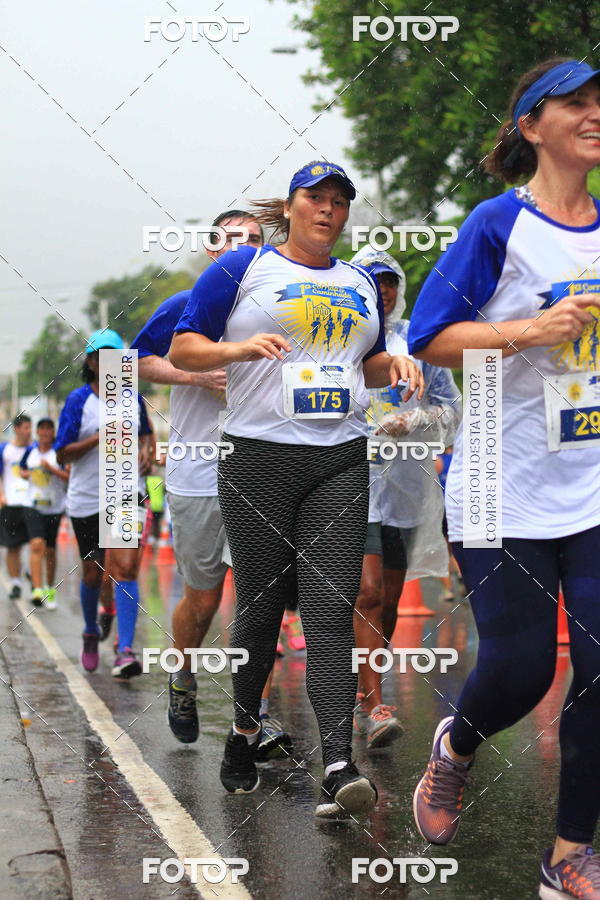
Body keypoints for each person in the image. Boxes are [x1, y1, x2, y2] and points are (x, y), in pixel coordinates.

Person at [170, 160, 424, 818]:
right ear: (293, 204)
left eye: (340, 201)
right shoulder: (243, 270)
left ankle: (339, 763)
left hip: (338, 458)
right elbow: (185, 349)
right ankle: (245, 729)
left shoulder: (359, 282)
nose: (329, 210)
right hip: (256, 458)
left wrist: (389, 363)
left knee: (331, 610)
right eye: (317, 197)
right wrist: (235, 351)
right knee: (257, 614)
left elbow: (359, 366)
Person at [407, 59, 600, 897]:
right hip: (497, 481)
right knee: (522, 670)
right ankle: (455, 746)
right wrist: (532, 328)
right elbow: (429, 337)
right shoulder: (498, 224)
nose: (596, 115)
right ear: (531, 125)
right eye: (577, 104)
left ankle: (569, 858)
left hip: (591, 477)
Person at [132, 209, 291, 759]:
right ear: (212, 251)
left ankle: (254, 719)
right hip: (198, 473)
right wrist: (194, 375)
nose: (245, 249)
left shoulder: (279, 306)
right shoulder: (187, 305)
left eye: (255, 240)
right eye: (234, 241)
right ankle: (182, 676)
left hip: (263, 472)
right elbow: (126, 364)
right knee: (203, 599)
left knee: (257, 601)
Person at [350, 247, 461, 749]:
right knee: (368, 592)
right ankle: (373, 704)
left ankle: (361, 689)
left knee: (391, 602)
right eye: (373, 281)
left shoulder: (420, 341)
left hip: (408, 492)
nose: (384, 289)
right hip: (353, 483)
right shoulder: (345, 339)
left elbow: (451, 411)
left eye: (390, 281)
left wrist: (414, 420)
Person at [55, 329, 154, 678]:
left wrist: (147, 451)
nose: (109, 362)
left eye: (116, 355)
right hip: (86, 498)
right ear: (91, 362)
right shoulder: (78, 401)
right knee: (94, 573)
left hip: (125, 493)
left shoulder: (133, 397)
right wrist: (99, 438)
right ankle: (90, 630)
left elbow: (146, 432)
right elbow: (62, 452)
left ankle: (125, 650)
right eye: (101, 356)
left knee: (125, 568)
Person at [20, 418, 68, 609]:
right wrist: (24, 474)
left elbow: (68, 476)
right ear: (38, 432)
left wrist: (51, 469)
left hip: (54, 507)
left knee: (50, 550)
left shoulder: (59, 452)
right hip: (32, 505)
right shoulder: (30, 451)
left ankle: (50, 588)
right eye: (42, 429)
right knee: (36, 544)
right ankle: (37, 590)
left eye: (49, 429)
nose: (46, 432)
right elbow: (22, 470)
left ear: (53, 432)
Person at [0, 414, 33, 599]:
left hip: (31, 503)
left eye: (30, 428)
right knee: (13, 546)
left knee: (35, 543)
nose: (29, 431)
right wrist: (2, 495)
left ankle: (30, 569)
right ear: (16, 429)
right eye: (26, 428)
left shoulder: (35, 449)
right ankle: (15, 583)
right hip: (10, 504)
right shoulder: (4, 450)